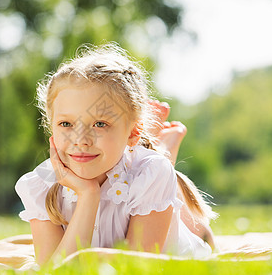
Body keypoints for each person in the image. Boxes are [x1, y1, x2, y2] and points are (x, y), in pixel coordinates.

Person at [15, 44, 217, 265]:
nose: (81, 139)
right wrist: (88, 195)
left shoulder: (150, 174)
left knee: (201, 233)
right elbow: (55, 271)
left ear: (132, 132)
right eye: (66, 123)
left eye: (99, 124)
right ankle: (159, 146)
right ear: (51, 126)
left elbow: (135, 267)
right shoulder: (41, 185)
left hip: (170, 242)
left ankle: (161, 150)